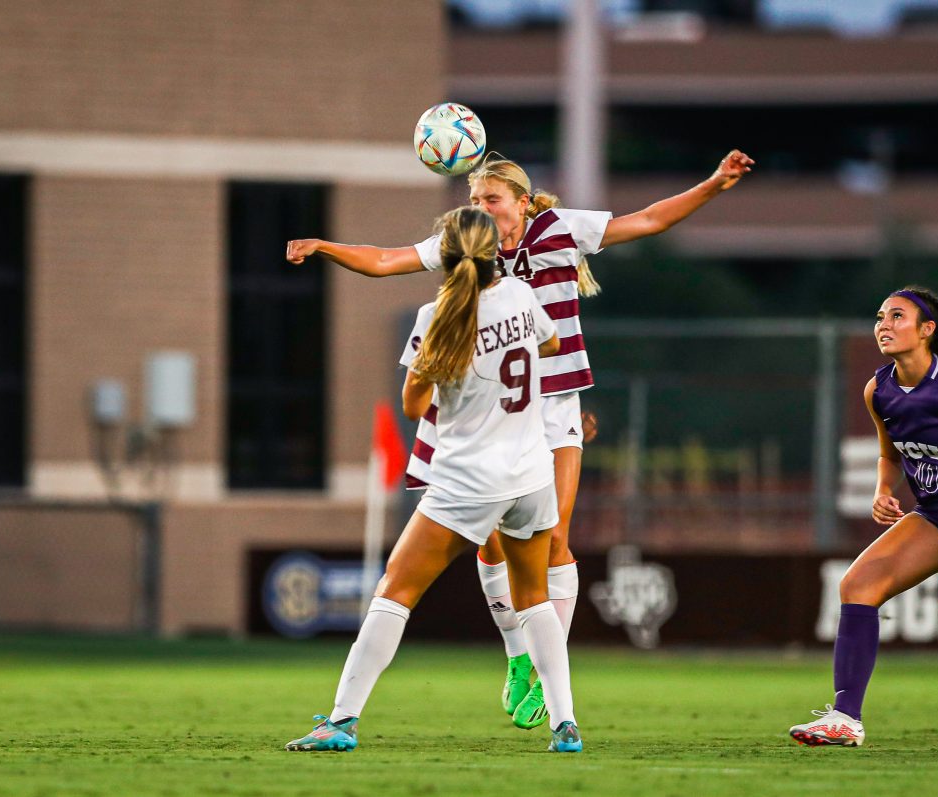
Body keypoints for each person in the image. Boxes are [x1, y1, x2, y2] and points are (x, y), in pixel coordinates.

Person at [287, 149, 754, 728]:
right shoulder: (469, 252)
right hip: (497, 412)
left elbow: (650, 220)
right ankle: (521, 660)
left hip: (551, 408)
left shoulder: (557, 229)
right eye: (475, 200)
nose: (481, 208)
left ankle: (533, 672)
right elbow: (385, 260)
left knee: (553, 541)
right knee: (492, 545)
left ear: (524, 203)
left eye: (491, 199)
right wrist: (327, 247)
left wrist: (712, 184)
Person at [284, 207, 582, 753]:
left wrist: (460, 379)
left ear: (442, 256)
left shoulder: (437, 315)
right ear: (495, 252)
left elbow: (414, 403)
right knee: (535, 597)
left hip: (469, 480)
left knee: (394, 591)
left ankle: (342, 722)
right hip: (531, 472)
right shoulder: (519, 294)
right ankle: (565, 726)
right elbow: (552, 346)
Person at [789, 286, 938, 751]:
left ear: (928, 331)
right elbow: (890, 455)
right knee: (857, 585)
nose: (884, 324)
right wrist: (883, 490)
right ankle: (845, 718)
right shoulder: (878, 389)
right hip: (934, 512)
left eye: (897, 316)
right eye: (880, 316)